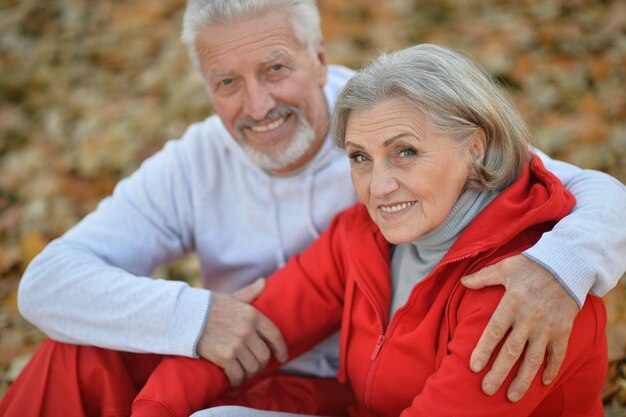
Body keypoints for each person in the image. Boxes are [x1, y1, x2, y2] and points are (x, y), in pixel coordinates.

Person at [1, 0, 625, 415]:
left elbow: (581, 193)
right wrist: (194, 316)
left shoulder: (397, 114)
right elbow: (48, 284)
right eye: (228, 82)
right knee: (79, 350)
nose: (258, 104)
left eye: (275, 68)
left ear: (319, 57)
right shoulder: (210, 168)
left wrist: (561, 267)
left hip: (364, 388)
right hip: (266, 366)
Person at [131, 43, 609, 417]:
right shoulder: (361, 236)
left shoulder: (522, 285)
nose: (378, 186)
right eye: (361, 157)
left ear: (475, 147)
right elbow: (260, 322)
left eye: (405, 151)